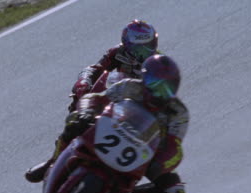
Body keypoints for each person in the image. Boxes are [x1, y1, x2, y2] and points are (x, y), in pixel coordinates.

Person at [33, 54, 188, 193]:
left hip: (144, 154)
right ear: (144, 78)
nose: (159, 91)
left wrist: (161, 163)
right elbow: (97, 98)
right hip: (111, 131)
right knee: (75, 123)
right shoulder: (129, 86)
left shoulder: (178, 113)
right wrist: (86, 111)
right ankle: (53, 161)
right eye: (154, 83)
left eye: (166, 88)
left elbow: (174, 147)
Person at [25, 19, 161, 182]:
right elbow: (94, 69)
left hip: (137, 112)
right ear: (126, 45)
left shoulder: (158, 64)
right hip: (111, 98)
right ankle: (54, 161)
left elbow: (165, 93)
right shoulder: (117, 53)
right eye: (139, 49)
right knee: (81, 105)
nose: (144, 53)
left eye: (149, 47)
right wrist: (83, 82)